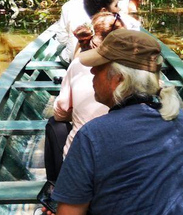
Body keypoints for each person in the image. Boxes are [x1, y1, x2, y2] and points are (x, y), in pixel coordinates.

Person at [48, 29, 183, 215]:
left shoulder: (92, 134)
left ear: (119, 79)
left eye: (99, 67)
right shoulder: (179, 118)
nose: (92, 71)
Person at [44, 11, 125, 181]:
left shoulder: (79, 64)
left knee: (55, 124)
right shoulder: (135, 68)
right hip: (121, 163)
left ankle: (54, 187)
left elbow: (61, 112)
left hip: (84, 163)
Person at [55, 0, 102, 64]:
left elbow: (62, 38)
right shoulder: (103, 2)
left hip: (73, 57)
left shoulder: (68, 6)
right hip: (98, 57)